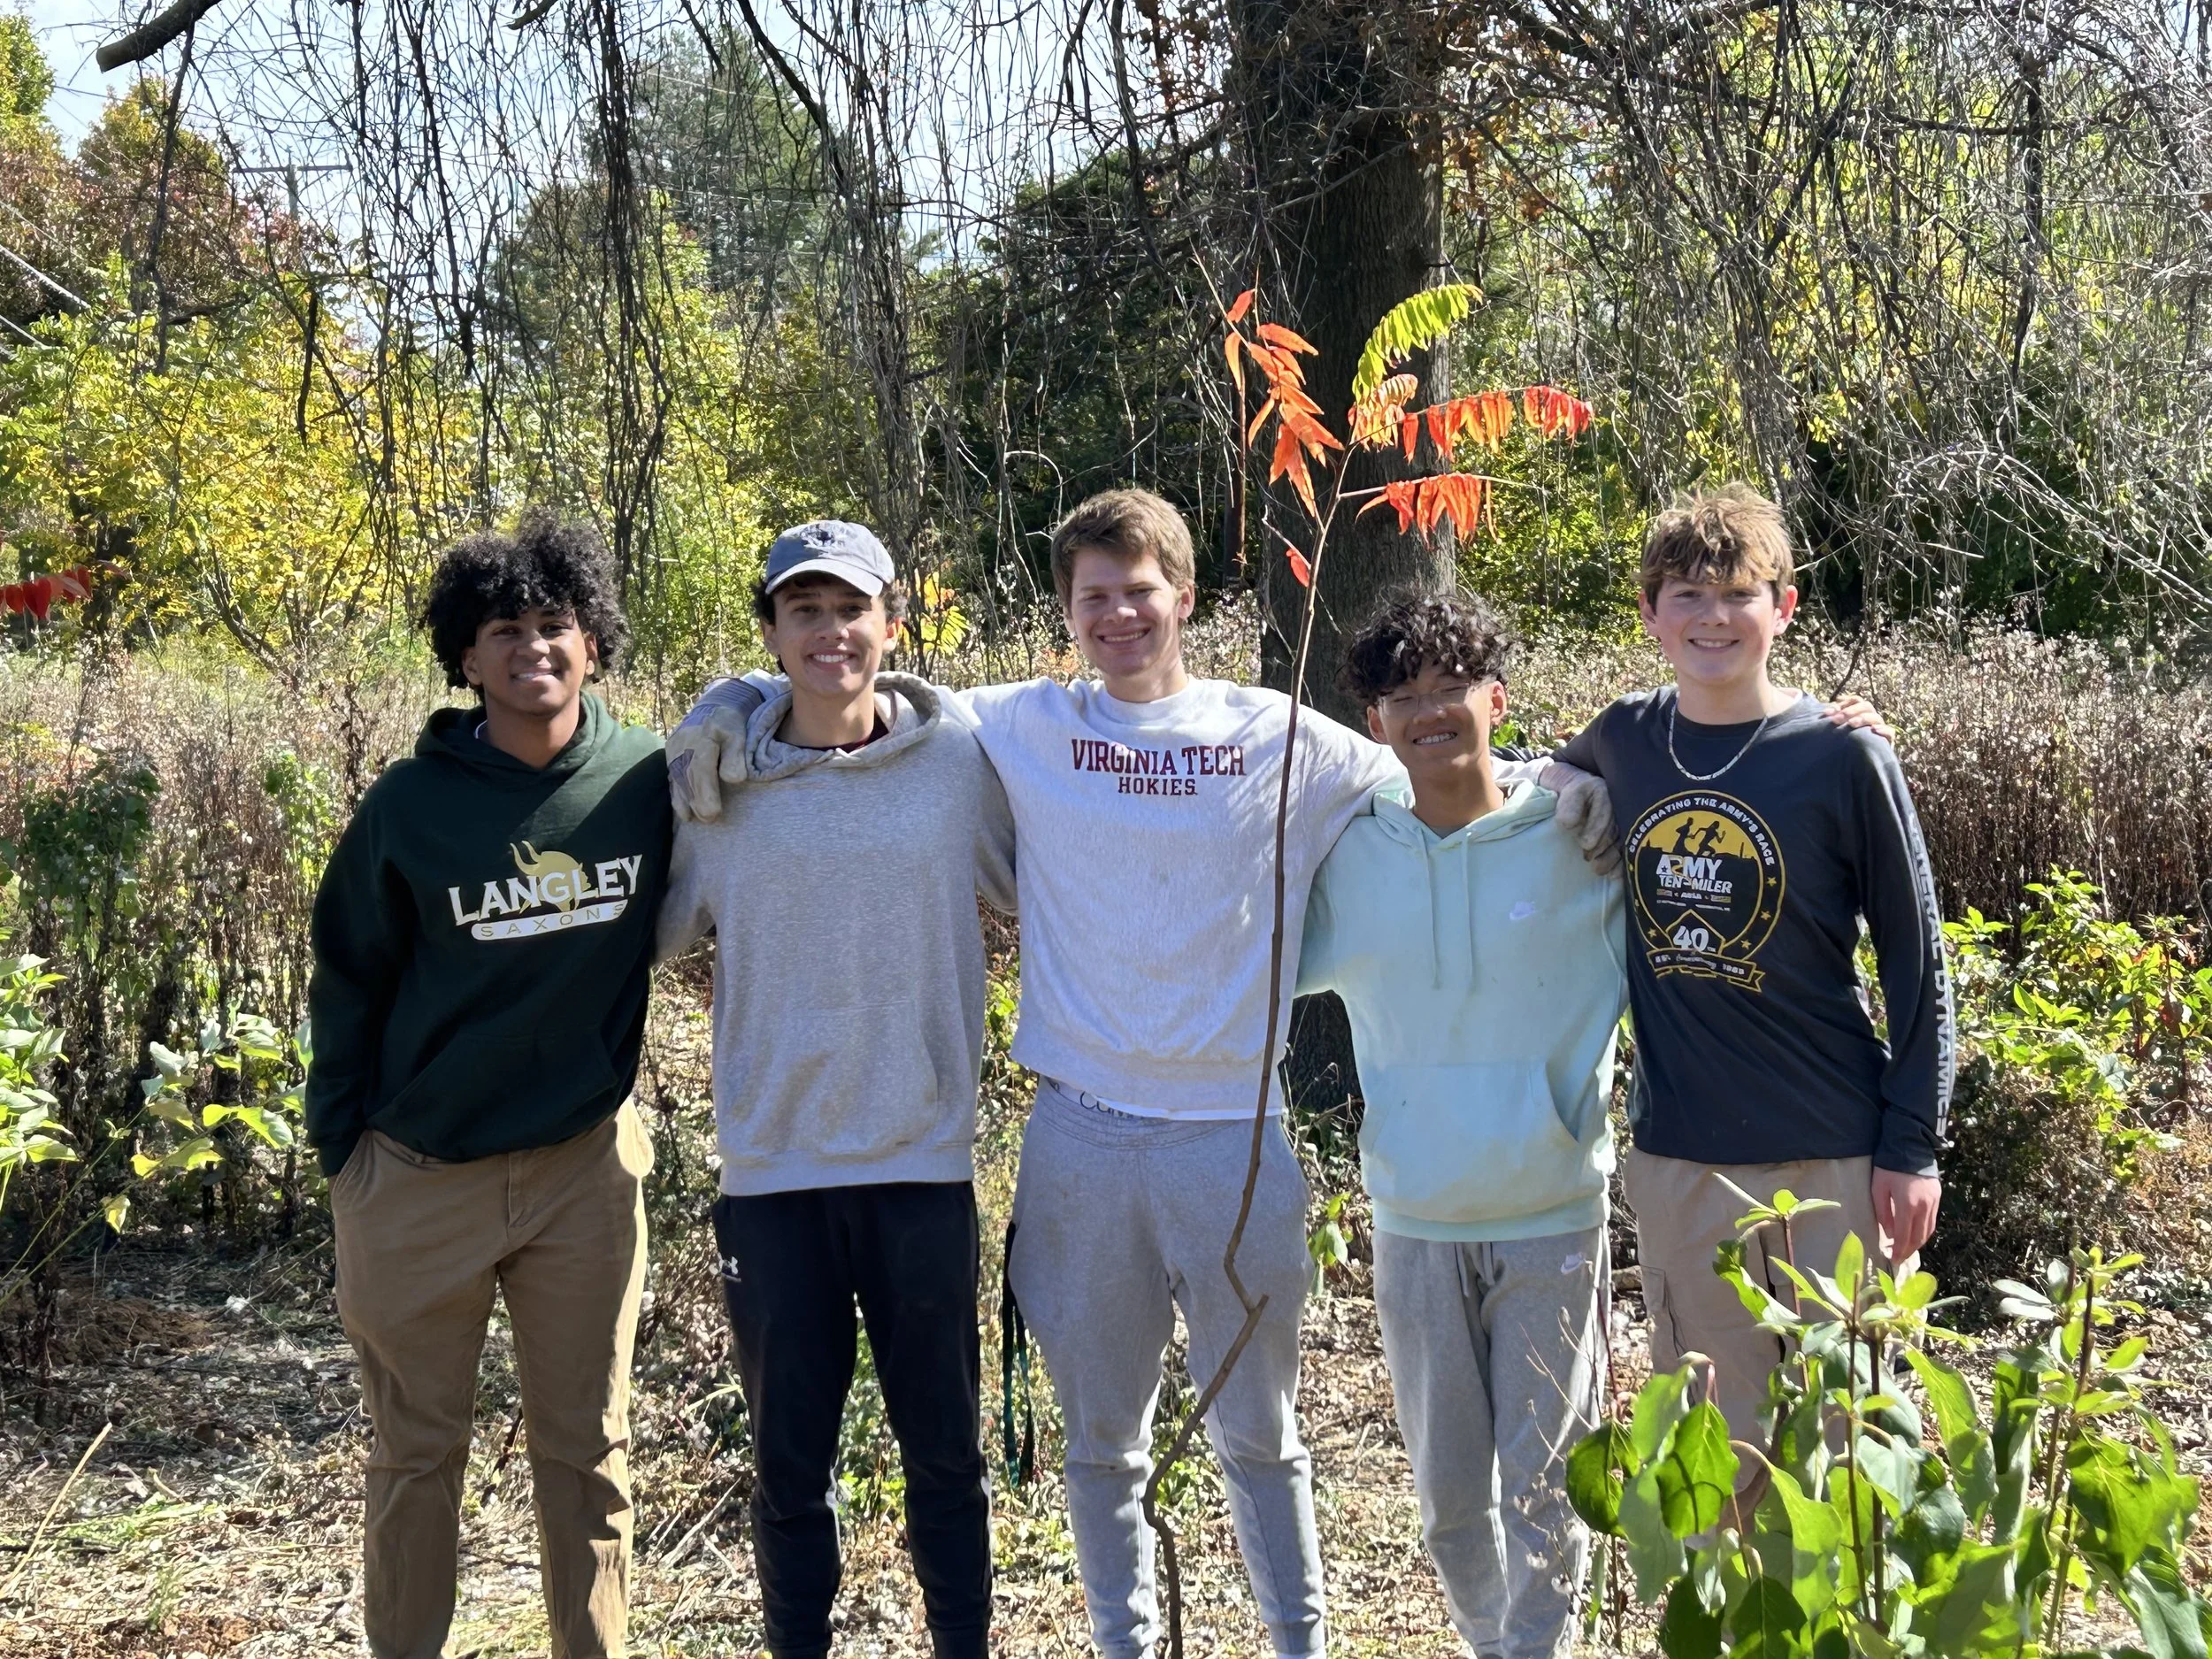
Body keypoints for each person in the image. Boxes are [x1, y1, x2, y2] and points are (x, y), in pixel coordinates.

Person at [669, 488, 1621, 1659]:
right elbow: (846, 690)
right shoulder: (1014, 726)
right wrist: (732, 701)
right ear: (1066, 612)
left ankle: (1296, 1640)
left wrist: (1565, 775)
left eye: (1139, 589)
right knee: (1102, 1443)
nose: (1118, 614)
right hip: (1080, 1140)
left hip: (1234, 1137)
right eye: (1092, 596)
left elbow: (1433, 759)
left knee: (1261, 1435)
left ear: (1185, 596)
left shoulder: (1276, 736)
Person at [306, 512, 669, 1659]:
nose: (534, 648)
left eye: (556, 624)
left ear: (594, 641)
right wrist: (346, 1154)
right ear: (465, 656)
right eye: (503, 629)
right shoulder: (412, 806)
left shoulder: (647, 776)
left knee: (590, 1449)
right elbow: (348, 968)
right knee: (416, 1456)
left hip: (581, 1173)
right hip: (420, 1176)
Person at [657, 521, 1016, 1659]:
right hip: (774, 1176)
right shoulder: (717, 791)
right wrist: (715, 713)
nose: (830, 633)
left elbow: (1068, 819)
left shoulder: (959, 763)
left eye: (850, 609)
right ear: (770, 632)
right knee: (787, 1471)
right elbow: (647, 935)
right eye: (802, 611)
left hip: (921, 1167)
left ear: (892, 622)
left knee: (945, 1462)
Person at [1554, 482, 1954, 1502]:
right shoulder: (1628, 739)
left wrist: (1911, 1149)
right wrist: (1562, 787)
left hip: (1833, 1154)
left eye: (1737, 593)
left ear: (1783, 608)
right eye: (1685, 594)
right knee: (1716, 1460)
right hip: (1682, 1160)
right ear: (1649, 616)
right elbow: (1525, 775)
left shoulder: (1842, 753)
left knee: (1847, 1452)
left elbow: (1918, 964)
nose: (1711, 617)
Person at [1297, 590, 1625, 1659]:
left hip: (1551, 1214)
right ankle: (1497, 1647)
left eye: (1450, 688)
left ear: (1498, 697)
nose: (1428, 712)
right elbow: (1230, 946)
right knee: (1448, 1503)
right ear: (1375, 722)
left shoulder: (1584, 839)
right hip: (1415, 1220)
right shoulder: (1349, 859)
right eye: (1401, 696)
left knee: (1549, 1488)